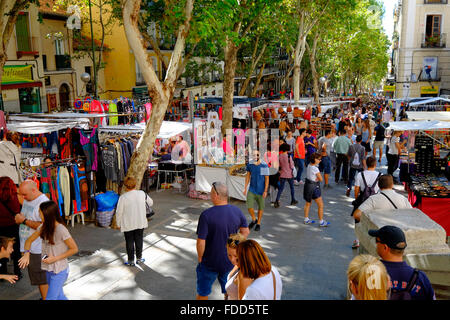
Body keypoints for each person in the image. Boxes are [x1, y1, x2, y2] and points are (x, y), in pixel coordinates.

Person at [196, 182, 249, 300]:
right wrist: (235, 248)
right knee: (230, 291)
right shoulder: (237, 211)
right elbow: (245, 232)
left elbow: (201, 242)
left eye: (211, 193)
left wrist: (200, 258)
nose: (210, 195)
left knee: (203, 293)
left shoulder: (206, 215)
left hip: (209, 261)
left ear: (216, 195)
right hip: (230, 261)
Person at [18, 201, 78, 300]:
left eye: (40, 212)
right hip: (48, 269)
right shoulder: (43, 226)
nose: (38, 214)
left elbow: (74, 249)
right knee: (59, 296)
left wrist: (55, 258)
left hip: (60, 271)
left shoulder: (61, 230)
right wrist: (26, 254)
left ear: (47, 214)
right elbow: (28, 241)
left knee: (51, 298)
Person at [368, 226, 436, 300]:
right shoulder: (421, 278)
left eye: (376, 241)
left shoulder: (369, 273)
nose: (376, 245)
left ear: (385, 247)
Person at [14, 180, 49, 299]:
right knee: (39, 279)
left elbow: (46, 226)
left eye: (24, 194)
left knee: (42, 278)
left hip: (38, 249)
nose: (22, 197)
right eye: (21, 194)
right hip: (30, 248)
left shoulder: (43, 202)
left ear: (34, 190)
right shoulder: (29, 198)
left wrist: (23, 221)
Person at [115, 176, 153, 266]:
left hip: (128, 223)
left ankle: (131, 260)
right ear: (135, 184)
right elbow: (151, 203)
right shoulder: (142, 194)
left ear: (125, 186)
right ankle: (139, 258)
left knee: (129, 241)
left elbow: (119, 212)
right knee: (139, 240)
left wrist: (118, 223)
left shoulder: (123, 197)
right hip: (140, 221)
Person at [351, 156, 381, 249]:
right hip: (375, 200)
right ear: (375, 164)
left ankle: (357, 239)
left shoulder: (360, 174)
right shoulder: (380, 175)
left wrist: (357, 198)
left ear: (366, 164)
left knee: (358, 220)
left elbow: (356, 188)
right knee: (373, 220)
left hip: (362, 200)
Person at [0, 177, 22, 279]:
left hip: (0, 226)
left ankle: (2, 271)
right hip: (12, 226)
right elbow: (17, 210)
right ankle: (17, 272)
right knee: (15, 249)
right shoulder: (14, 197)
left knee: (2, 248)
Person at [244, 150, 269, 232]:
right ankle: (254, 219)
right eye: (254, 155)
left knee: (261, 208)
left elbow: (266, 179)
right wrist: (245, 188)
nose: (255, 156)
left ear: (260, 155)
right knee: (249, 206)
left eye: (257, 155)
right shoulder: (250, 165)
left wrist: (265, 190)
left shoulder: (264, 165)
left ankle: (258, 223)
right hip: (252, 189)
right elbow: (247, 176)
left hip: (261, 190)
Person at [303, 153, 330, 227]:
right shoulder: (315, 168)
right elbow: (321, 179)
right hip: (314, 187)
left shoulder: (309, 165)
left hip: (307, 185)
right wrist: (318, 178)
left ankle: (306, 219)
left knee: (308, 203)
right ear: (315, 159)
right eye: (319, 159)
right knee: (321, 205)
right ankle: (321, 221)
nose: (320, 160)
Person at [224, 233, 249, 300]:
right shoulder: (238, 265)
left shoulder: (244, 275)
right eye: (229, 255)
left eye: (236, 256)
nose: (232, 259)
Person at [274, 143, 298, 208]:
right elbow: (292, 166)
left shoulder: (279, 156)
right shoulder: (288, 156)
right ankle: (293, 199)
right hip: (289, 174)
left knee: (281, 188)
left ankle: (277, 200)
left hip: (282, 174)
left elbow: (278, 165)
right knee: (292, 187)